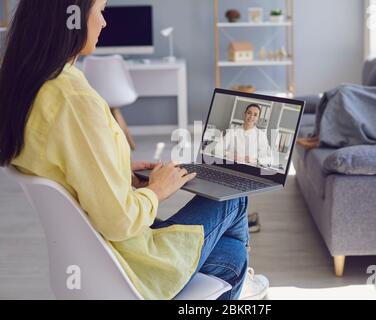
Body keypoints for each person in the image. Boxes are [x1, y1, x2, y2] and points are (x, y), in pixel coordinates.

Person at [0, 0, 269, 300]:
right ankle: (241, 282)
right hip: (129, 264)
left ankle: (240, 280)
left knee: (232, 258)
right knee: (235, 198)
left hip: (93, 257)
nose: (104, 23)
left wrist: (120, 173)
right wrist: (156, 191)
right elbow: (118, 221)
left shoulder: (28, 86)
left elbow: (66, 166)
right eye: (100, 11)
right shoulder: (73, 99)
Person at [298, 47, 376, 149]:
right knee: (340, 93)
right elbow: (374, 97)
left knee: (343, 93)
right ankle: (320, 136)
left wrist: (349, 92)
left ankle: (323, 138)